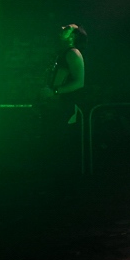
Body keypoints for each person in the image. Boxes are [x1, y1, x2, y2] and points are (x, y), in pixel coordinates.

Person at [37, 23, 87, 177]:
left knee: (61, 149)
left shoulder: (73, 53)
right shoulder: (61, 54)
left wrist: (54, 92)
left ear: (74, 36)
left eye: (68, 27)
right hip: (52, 108)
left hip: (63, 108)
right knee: (50, 148)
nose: (63, 27)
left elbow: (79, 82)